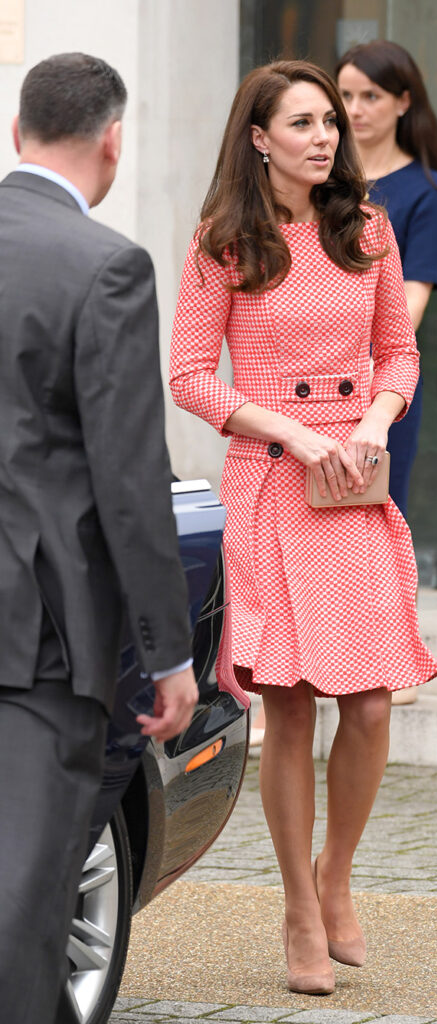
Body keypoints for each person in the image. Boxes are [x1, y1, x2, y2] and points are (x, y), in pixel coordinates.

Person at [170, 59, 437, 996]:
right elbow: (191, 374)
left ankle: (336, 874)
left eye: (331, 119)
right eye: (303, 123)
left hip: (352, 483)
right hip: (272, 480)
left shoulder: (364, 227)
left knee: (367, 702)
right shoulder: (224, 240)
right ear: (259, 138)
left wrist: (371, 420)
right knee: (287, 702)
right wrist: (288, 428)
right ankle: (295, 906)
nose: (326, 135)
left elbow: (398, 351)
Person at [0, 53, 198, 1024]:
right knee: (24, 910)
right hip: (36, 642)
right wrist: (170, 653)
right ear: (113, 140)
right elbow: (131, 483)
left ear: (14, 132)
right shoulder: (107, 266)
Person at [336, 41, 437, 521]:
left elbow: (413, 300)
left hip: (380, 379)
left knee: (375, 512)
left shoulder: (426, 189)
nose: (354, 110)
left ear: (404, 101)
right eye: (344, 95)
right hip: (305, 374)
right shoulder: (319, 178)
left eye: (371, 96)